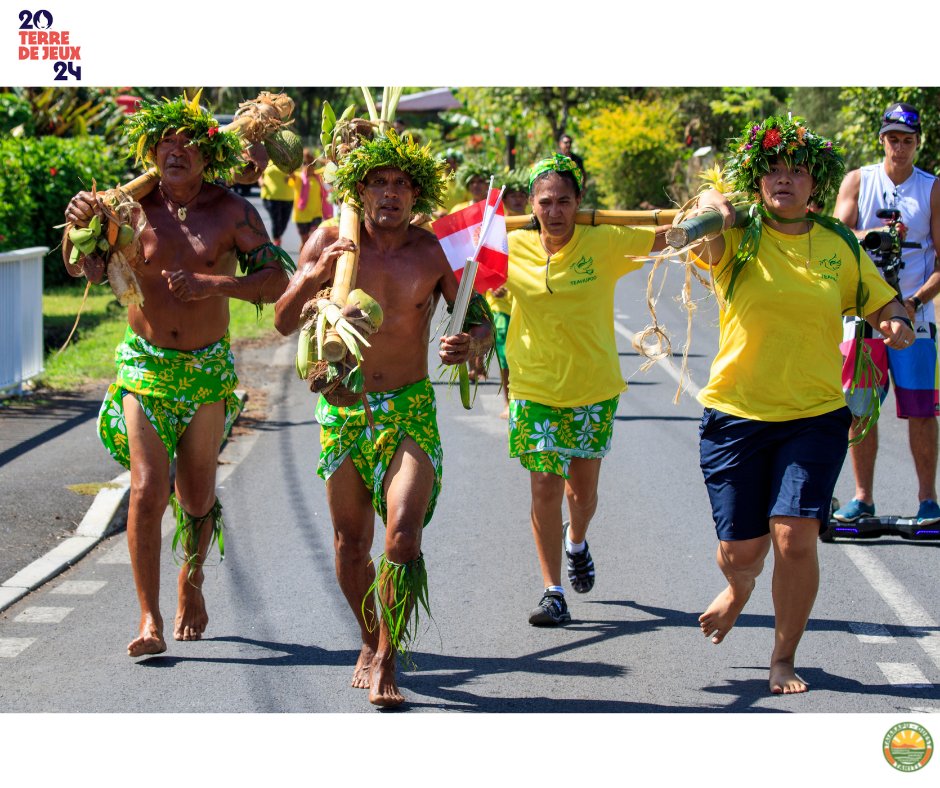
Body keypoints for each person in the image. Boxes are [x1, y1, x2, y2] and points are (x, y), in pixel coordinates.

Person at [62, 94, 292, 658]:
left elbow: (275, 282)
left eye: (187, 142)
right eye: (164, 143)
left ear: (207, 154)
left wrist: (218, 285)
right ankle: (148, 616)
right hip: (144, 366)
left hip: (207, 370)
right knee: (147, 488)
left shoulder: (233, 211)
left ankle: (193, 578)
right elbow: (79, 264)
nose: (175, 151)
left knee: (196, 495)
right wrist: (79, 227)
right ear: (152, 153)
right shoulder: (126, 206)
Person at [691, 115, 912, 694]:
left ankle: (782, 657)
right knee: (740, 551)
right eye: (774, 170)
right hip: (735, 413)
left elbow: (880, 298)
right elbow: (700, 219)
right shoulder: (737, 233)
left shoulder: (836, 242)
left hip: (814, 413)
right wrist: (717, 199)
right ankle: (740, 588)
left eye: (797, 171)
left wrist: (895, 321)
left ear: (817, 184)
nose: (785, 180)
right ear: (757, 180)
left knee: (794, 536)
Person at [274, 130, 492, 707]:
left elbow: (480, 321)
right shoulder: (330, 240)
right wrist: (313, 272)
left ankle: (388, 655)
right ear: (359, 190)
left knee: (401, 535)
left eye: (401, 184)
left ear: (416, 196)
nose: (390, 194)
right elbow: (281, 321)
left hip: (409, 408)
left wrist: (466, 344)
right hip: (342, 410)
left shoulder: (435, 251)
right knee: (351, 544)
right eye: (378, 183)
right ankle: (368, 636)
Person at [506, 153, 668, 626]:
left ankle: (576, 540)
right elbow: (451, 256)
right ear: (531, 206)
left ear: (579, 203)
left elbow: (670, 235)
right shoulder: (511, 246)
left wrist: (713, 211)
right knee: (543, 485)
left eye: (564, 201)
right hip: (533, 387)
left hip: (593, 388)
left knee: (583, 492)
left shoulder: (605, 241)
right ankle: (552, 591)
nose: (554, 212)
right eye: (545, 202)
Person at [831, 102, 940, 525]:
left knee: (921, 409)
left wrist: (913, 303)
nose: (900, 148)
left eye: (908, 141)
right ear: (882, 141)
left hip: (915, 315)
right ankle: (862, 498)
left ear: (917, 144)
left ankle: (928, 501)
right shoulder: (859, 180)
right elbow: (838, 237)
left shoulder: (931, 188)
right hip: (862, 317)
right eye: (893, 140)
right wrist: (872, 236)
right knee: (861, 407)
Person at [289, 148, 324, 248]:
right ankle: (302, 263)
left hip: (316, 214)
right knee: (305, 243)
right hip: (302, 216)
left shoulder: (318, 177)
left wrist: (318, 160)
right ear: (302, 165)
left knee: (315, 242)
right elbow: (290, 173)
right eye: (305, 164)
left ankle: (314, 263)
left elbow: (331, 166)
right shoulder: (298, 177)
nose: (308, 167)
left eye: (311, 164)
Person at [260, 158, 295, 246]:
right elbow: (259, 173)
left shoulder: (288, 163)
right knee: (276, 220)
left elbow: (295, 176)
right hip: (270, 196)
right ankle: (276, 241)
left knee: (284, 222)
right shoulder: (266, 161)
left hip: (287, 197)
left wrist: (291, 176)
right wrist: (261, 181)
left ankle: (277, 237)